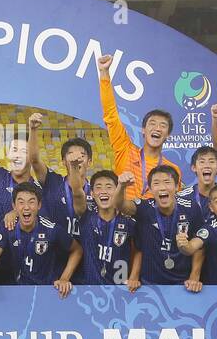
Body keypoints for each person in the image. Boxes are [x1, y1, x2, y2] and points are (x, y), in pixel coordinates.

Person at [97, 53, 180, 196]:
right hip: (123, 217)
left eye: (163, 125)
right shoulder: (125, 150)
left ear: (167, 135)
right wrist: (104, 73)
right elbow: (111, 115)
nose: (157, 128)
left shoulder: (172, 169)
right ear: (143, 130)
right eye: (152, 123)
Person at [0, 184, 82, 296]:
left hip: (46, 293)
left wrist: (64, 278)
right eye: (21, 202)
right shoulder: (7, 228)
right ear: (14, 206)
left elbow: (77, 250)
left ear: (39, 205)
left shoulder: (51, 229)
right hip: (16, 293)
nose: (26, 207)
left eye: (31, 202)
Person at [68, 167, 140, 289]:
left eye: (109, 187)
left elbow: (138, 250)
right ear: (92, 193)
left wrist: (134, 276)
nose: (103, 191)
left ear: (117, 191)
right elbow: (76, 192)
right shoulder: (86, 218)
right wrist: (74, 167)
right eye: (98, 187)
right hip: (90, 289)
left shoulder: (129, 222)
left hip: (120, 288)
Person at [133, 164, 200, 286]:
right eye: (156, 183)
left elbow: (200, 245)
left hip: (183, 284)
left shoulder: (191, 208)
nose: (162, 187)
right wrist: (121, 186)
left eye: (167, 182)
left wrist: (194, 277)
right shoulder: (144, 208)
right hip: (149, 284)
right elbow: (138, 248)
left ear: (176, 186)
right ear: (150, 188)